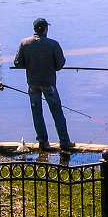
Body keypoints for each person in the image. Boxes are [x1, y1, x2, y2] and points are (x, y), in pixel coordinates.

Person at [13, 17, 74, 151]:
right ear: (46, 29)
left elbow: (17, 63)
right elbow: (60, 64)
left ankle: (42, 141)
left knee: (37, 113)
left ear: (34, 29)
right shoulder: (53, 44)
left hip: (32, 83)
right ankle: (64, 141)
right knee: (57, 112)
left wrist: (30, 65)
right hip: (49, 83)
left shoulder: (25, 43)